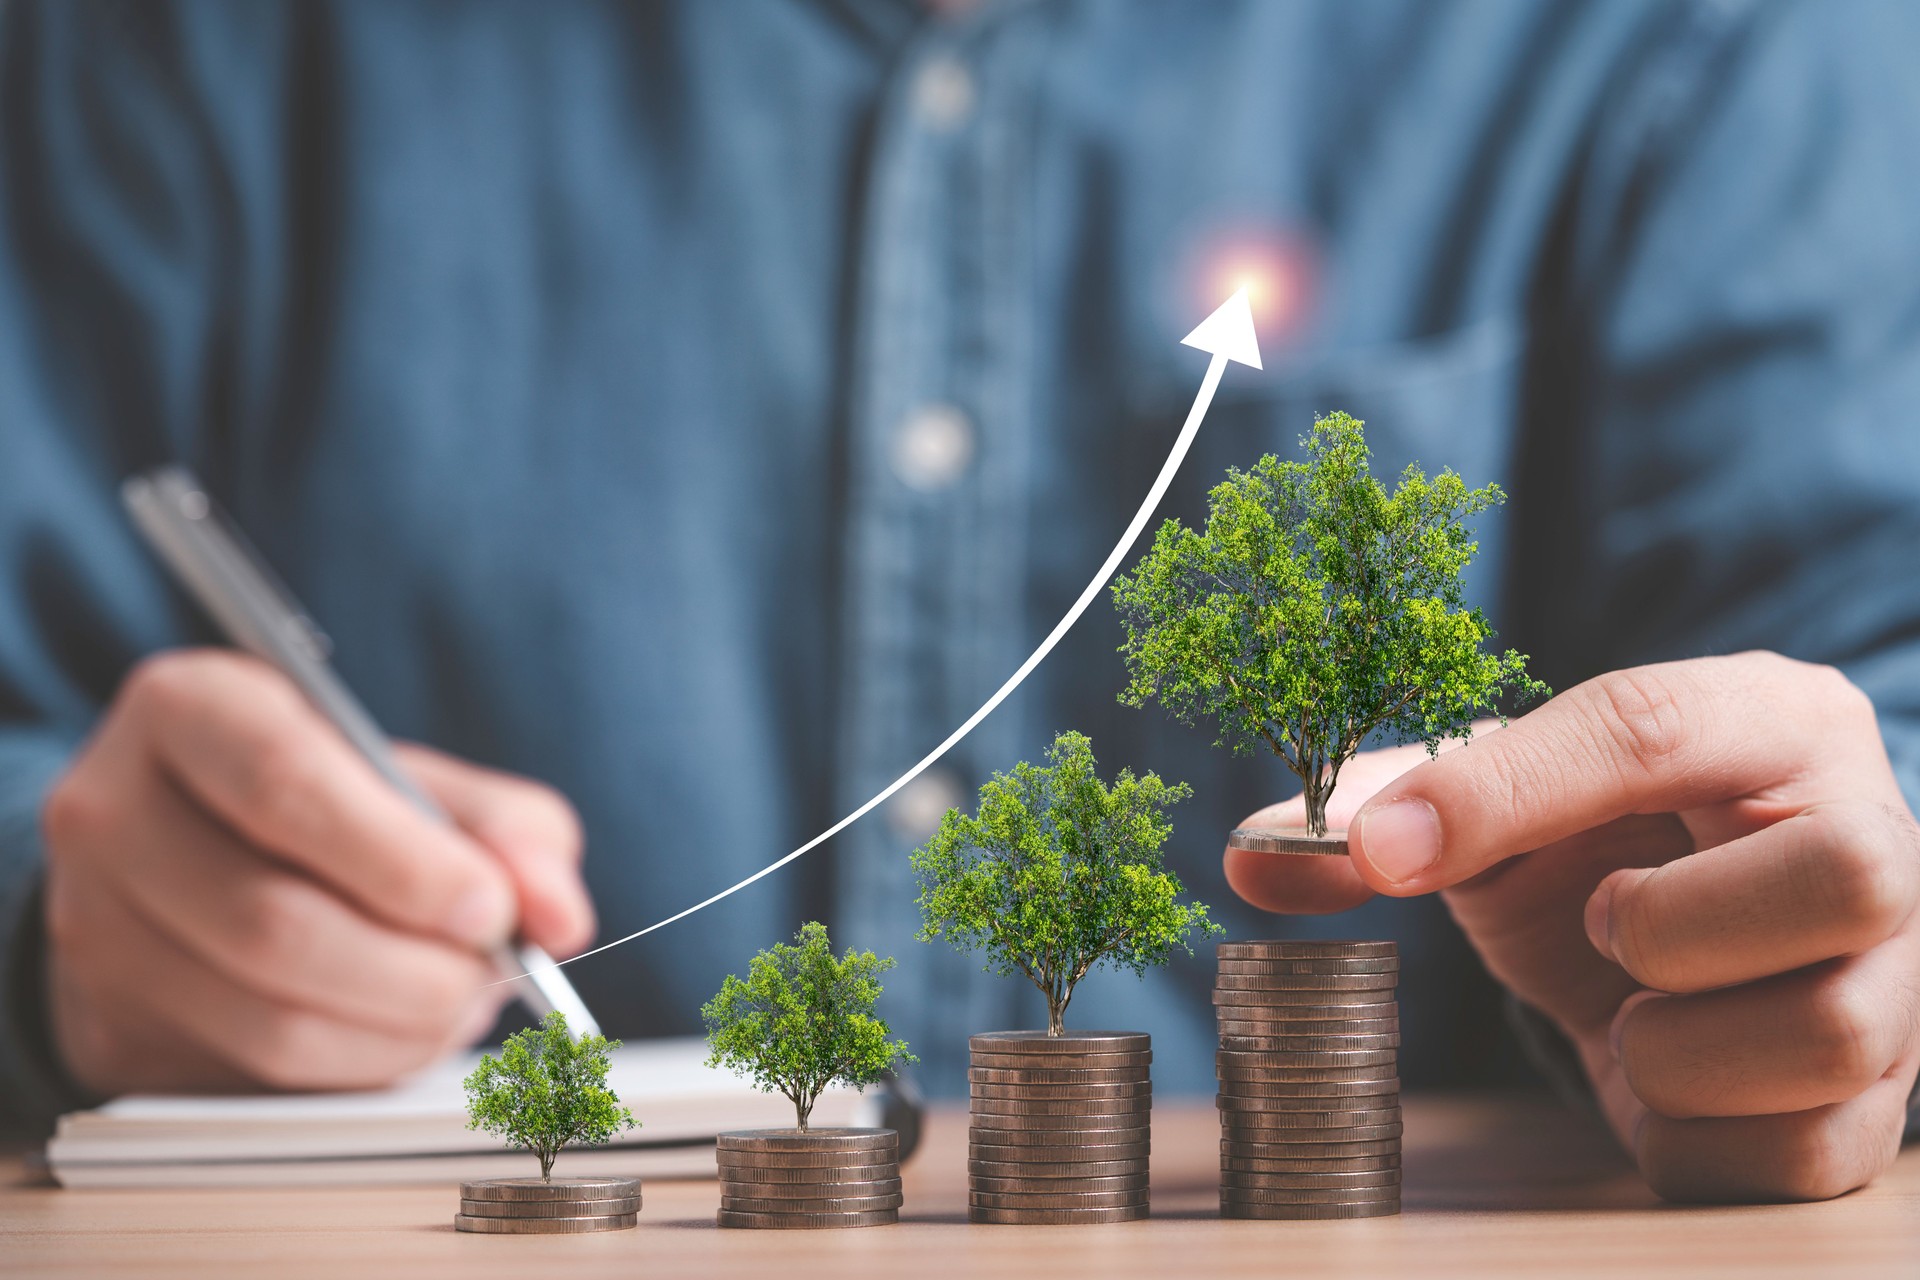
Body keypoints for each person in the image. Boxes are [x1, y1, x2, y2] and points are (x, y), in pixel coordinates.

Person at [0, 0, 1915, 1204]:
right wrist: (56, 935)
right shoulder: (174, 42)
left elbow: (1867, 736)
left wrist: (1840, 974)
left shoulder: (1716, 42)